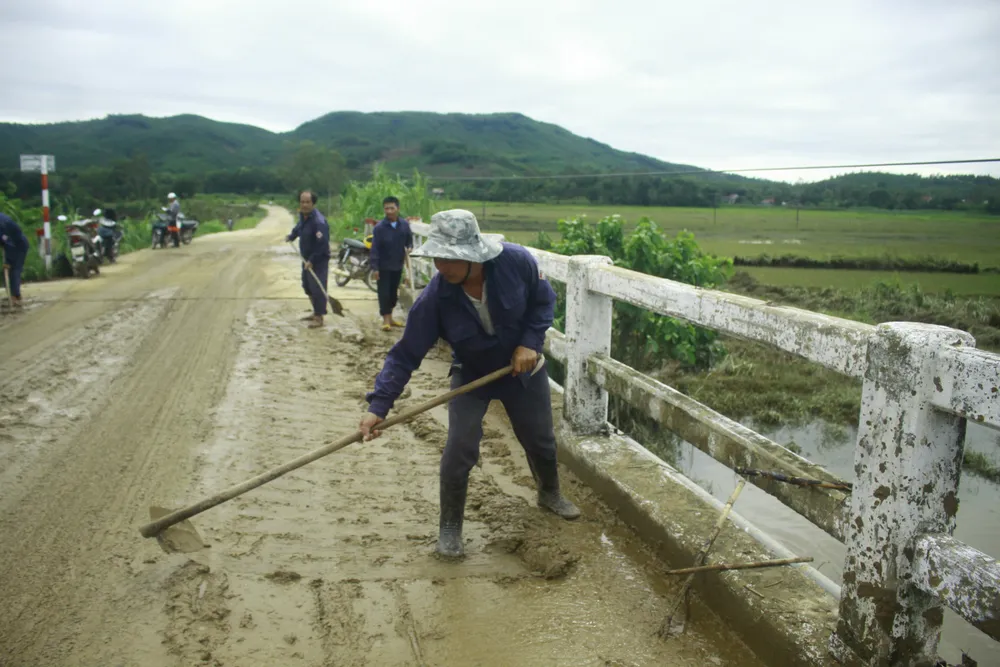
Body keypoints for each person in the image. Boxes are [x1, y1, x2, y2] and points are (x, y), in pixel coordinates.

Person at [359, 209, 580, 559]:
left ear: (472, 255)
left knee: (540, 438)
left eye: (449, 258)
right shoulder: (435, 298)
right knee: (459, 445)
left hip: (522, 369)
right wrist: (377, 407)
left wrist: (530, 343)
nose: (440, 266)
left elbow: (544, 302)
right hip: (473, 373)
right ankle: (450, 526)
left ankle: (549, 493)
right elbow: (405, 356)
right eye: (437, 257)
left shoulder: (517, 262)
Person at [286, 189, 330, 328]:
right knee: (307, 287)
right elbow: (299, 228)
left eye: (307, 202)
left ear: (313, 203)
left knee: (317, 288)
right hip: (306, 260)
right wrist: (291, 236)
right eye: (302, 202)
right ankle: (315, 312)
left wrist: (312, 260)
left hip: (318, 260)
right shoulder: (303, 217)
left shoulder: (319, 222)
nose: (304, 205)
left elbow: (322, 245)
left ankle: (319, 317)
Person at [369, 196, 413, 331]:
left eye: (392, 208)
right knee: (384, 293)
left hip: (397, 265)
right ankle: (386, 320)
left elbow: (409, 241)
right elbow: (375, 248)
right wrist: (375, 268)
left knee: (393, 293)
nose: (389, 211)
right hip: (383, 266)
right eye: (386, 208)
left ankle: (391, 318)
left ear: (397, 209)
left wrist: (410, 247)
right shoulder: (380, 228)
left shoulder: (404, 225)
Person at [0, 213, 29, 308]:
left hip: (19, 246)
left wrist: (8, 261)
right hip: (12, 243)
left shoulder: (2, 225)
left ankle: (15, 296)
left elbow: (9, 244)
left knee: (15, 270)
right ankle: (13, 294)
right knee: (9, 271)